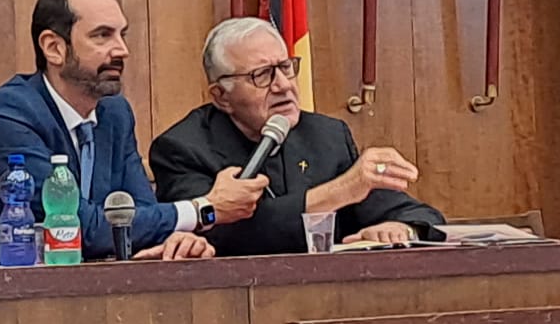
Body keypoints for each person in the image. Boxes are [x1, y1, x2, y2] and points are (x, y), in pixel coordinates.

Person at [0, 0, 268, 267]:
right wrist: (204, 209)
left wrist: (174, 241)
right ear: (54, 48)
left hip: (82, 295)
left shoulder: (114, 114)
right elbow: (76, 226)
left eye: (122, 35)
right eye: (102, 36)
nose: (122, 50)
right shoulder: (6, 116)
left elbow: (140, 212)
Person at [150, 17, 446, 256]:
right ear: (221, 96)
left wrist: (401, 228)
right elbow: (225, 235)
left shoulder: (326, 136)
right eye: (261, 75)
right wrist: (341, 190)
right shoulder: (182, 149)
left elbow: (415, 213)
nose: (283, 85)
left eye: (285, 68)